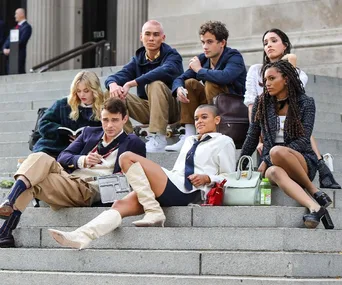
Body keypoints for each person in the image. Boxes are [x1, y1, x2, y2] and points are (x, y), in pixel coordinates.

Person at [48, 104, 236, 249]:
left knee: (126, 157)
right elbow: (179, 169)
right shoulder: (189, 140)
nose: (199, 121)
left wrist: (208, 178)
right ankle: (81, 237)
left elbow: (231, 177)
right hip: (174, 181)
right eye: (195, 118)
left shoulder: (224, 142)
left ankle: (154, 212)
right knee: (119, 205)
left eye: (204, 117)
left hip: (190, 190)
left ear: (217, 119)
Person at [0, 98, 146, 248]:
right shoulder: (89, 133)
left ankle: (6, 229)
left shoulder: (133, 143)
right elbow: (63, 156)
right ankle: (9, 206)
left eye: (114, 120)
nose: (109, 125)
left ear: (125, 119)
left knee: (34, 182)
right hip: (69, 178)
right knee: (40, 156)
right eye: (105, 120)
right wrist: (83, 160)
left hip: (89, 189)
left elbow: (136, 176)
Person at [240, 60, 333, 229]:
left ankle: (312, 189)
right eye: (265, 80)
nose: (267, 84)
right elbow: (252, 137)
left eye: (272, 78)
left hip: (301, 162)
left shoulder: (305, 102)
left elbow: (304, 141)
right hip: (273, 164)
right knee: (274, 171)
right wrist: (239, 166)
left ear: (286, 79)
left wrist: (267, 158)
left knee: (276, 152)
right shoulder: (262, 103)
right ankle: (316, 206)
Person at [244, 28, 340, 189]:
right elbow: (252, 105)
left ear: (285, 46)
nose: (269, 46)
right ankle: (319, 178)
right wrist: (259, 138)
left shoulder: (297, 76)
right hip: (266, 125)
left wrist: (290, 62)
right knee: (277, 147)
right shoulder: (256, 70)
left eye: (274, 41)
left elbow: (296, 103)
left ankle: (319, 165)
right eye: (265, 43)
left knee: (296, 125)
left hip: (290, 127)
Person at [167, 21, 246, 151]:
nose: (205, 46)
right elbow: (180, 78)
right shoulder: (203, 59)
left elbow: (225, 77)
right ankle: (189, 135)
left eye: (209, 42)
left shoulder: (234, 56)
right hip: (211, 104)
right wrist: (179, 88)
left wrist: (199, 70)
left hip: (232, 110)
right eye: (203, 42)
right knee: (189, 84)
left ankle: (214, 132)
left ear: (222, 43)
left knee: (211, 82)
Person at [105, 20, 183, 153]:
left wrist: (132, 83)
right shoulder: (138, 59)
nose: (151, 38)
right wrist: (112, 84)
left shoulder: (172, 56)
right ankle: (127, 138)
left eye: (156, 34)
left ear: (163, 38)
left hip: (174, 109)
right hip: (149, 109)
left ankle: (158, 137)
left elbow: (162, 71)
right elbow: (119, 75)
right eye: (147, 34)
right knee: (113, 94)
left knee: (155, 84)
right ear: (141, 37)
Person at [33, 71, 106, 158]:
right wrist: (60, 132)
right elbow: (43, 123)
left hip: (79, 153)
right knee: (40, 159)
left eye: (86, 91)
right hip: (52, 147)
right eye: (78, 91)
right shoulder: (63, 104)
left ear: (94, 90)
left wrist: (82, 139)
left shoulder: (103, 108)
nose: (82, 95)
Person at [2, 8, 32, 74]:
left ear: (22, 14)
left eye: (16, 14)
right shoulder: (14, 28)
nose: (15, 16)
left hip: (19, 57)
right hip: (10, 59)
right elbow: (7, 40)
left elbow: (22, 41)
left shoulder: (27, 27)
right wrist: (4, 49)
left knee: (19, 73)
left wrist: (11, 49)